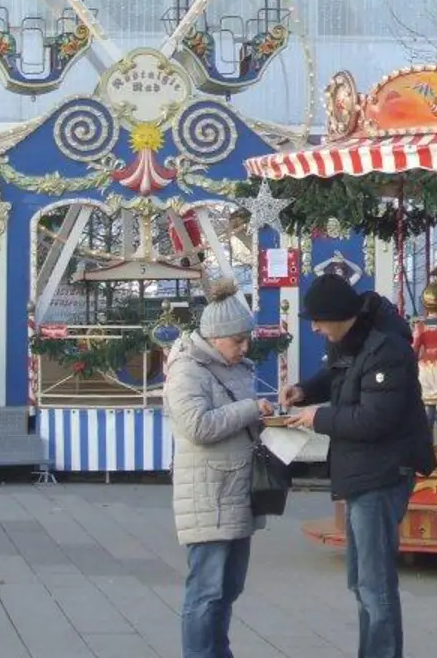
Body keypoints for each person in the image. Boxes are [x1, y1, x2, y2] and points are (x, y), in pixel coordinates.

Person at [282, 274, 435, 658]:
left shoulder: (387, 349)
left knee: (374, 584)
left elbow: (374, 419)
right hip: (360, 474)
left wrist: (317, 418)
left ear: (338, 315)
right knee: (361, 580)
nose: (314, 328)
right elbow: (338, 378)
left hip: (382, 474)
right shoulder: (353, 340)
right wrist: (305, 391)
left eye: (317, 320)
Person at [162, 280, 274, 658]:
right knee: (206, 591)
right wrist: (251, 409)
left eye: (246, 340)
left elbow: (238, 419)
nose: (245, 348)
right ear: (215, 337)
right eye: (238, 341)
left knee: (228, 589)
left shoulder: (237, 366)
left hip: (236, 489)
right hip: (207, 493)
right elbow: (197, 426)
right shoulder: (186, 369)